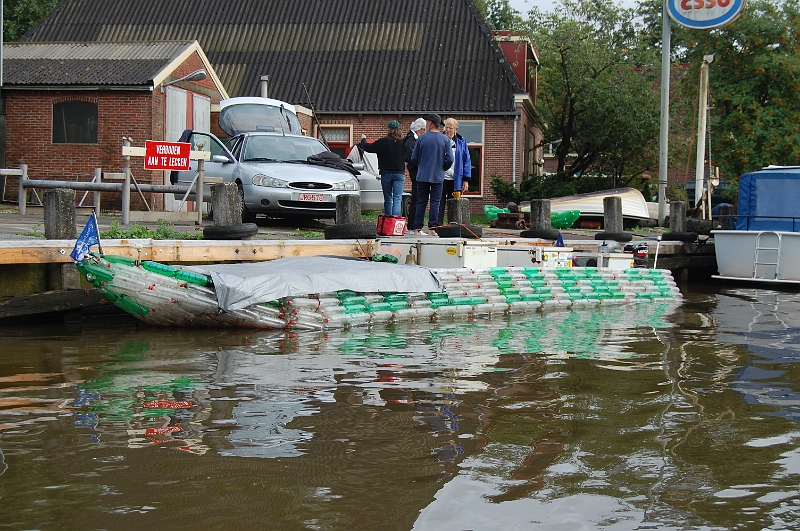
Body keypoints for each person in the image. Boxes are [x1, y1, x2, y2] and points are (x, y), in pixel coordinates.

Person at [410, 113, 454, 236]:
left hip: (423, 175)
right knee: (435, 201)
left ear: (430, 123)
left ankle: (417, 228)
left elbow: (414, 157)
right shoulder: (445, 139)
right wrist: (443, 168)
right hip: (438, 176)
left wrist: (422, 165)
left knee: (421, 201)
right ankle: (432, 228)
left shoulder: (421, 138)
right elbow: (450, 159)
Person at [360, 120, 406, 217]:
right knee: (397, 197)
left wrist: (363, 139)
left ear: (388, 130)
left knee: (388, 197)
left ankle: (388, 220)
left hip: (386, 173)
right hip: (399, 173)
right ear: (399, 130)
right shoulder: (403, 143)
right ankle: (395, 220)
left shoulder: (383, 141)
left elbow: (367, 148)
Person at [437, 118, 472, 227]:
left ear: (456, 129)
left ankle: (454, 225)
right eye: (446, 127)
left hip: (456, 179)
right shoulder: (439, 139)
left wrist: (466, 179)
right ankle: (438, 225)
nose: (447, 130)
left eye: (450, 128)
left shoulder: (462, 141)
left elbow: (467, 160)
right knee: (439, 203)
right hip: (441, 178)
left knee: (455, 204)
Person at [404, 117, 426, 229]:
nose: (424, 133)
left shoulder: (412, 139)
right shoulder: (411, 140)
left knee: (417, 197)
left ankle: (413, 223)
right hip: (416, 170)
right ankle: (413, 224)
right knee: (417, 197)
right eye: (423, 130)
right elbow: (411, 156)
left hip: (416, 170)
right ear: (419, 129)